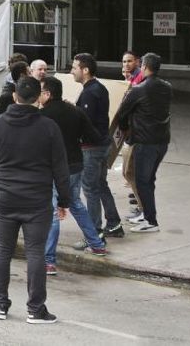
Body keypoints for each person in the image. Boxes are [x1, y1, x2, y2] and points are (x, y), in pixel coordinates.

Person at [0, 76, 70, 324]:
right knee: (35, 252)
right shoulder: (49, 127)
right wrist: (64, 201)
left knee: (2, 250)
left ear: (14, 96)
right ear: (39, 98)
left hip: (4, 197)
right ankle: (36, 309)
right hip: (37, 200)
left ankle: (0, 305)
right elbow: (60, 167)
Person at [39, 76, 108, 275]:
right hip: (75, 166)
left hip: (54, 170)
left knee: (52, 212)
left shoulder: (42, 116)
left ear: (47, 94)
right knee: (76, 203)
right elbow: (94, 136)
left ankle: (49, 261)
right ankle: (97, 244)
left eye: (40, 92)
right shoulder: (76, 111)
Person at [114, 53, 172, 233]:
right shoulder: (167, 87)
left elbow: (122, 113)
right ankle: (147, 215)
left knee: (142, 181)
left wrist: (125, 129)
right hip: (162, 141)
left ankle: (150, 221)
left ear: (144, 66)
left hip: (145, 141)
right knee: (149, 180)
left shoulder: (139, 89)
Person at [71, 53, 123, 243]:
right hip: (102, 144)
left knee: (90, 189)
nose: (71, 71)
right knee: (100, 184)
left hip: (91, 148)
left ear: (85, 70)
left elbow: (85, 122)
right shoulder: (98, 88)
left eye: (74, 67)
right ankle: (114, 223)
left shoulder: (90, 93)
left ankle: (95, 233)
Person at [120, 50, 144, 219]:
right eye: (124, 61)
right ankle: (141, 205)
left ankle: (143, 209)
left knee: (129, 172)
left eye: (129, 61)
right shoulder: (132, 78)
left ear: (137, 62)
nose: (126, 64)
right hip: (132, 131)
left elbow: (127, 104)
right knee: (129, 173)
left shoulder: (139, 79)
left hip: (136, 132)